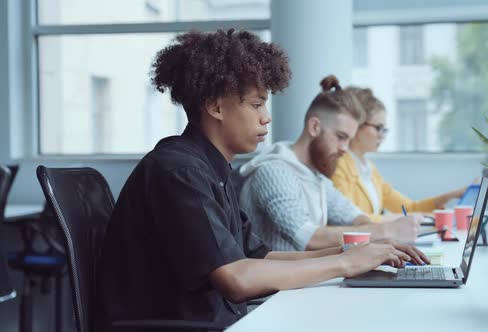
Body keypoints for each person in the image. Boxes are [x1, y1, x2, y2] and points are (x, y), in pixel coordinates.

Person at [96, 30, 422, 331]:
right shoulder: (179, 172)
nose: (266, 116)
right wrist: (345, 264)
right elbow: (236, 278)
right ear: (215, 106)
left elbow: (259, 258)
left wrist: (355, 252)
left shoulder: (211, 170)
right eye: (256, 104)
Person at [239, 75, 428, 254]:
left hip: (304, 281)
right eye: (340, 137)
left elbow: (356, 217)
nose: (345, 148)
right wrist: (387, 231)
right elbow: (309, 238)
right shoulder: (274, 171)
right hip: (279, 287)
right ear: (315, 127)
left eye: (348, 140)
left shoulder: (316, 176)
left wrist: (376, 228)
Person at [331, 87, 466, 221]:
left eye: (384, 129)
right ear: (356, 125)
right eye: (378, 128)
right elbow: (351, 219)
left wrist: (450, 196)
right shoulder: (338, 166)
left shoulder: (368, 169)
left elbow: (409, 208)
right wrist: (403, 219)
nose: (382, 135)